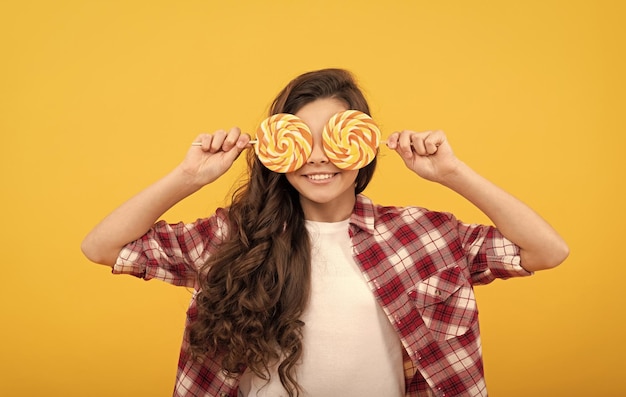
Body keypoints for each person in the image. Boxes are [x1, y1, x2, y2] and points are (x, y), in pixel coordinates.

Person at [81, 68, 569, 397]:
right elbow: (102, 247)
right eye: (301, 138)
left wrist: (452, 173)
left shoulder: (422, 235)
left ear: (364, 145)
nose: (317, 156)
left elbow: (547, 251)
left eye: (336, 136)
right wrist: (188, 176)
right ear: (275, 148)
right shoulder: (232, 236)